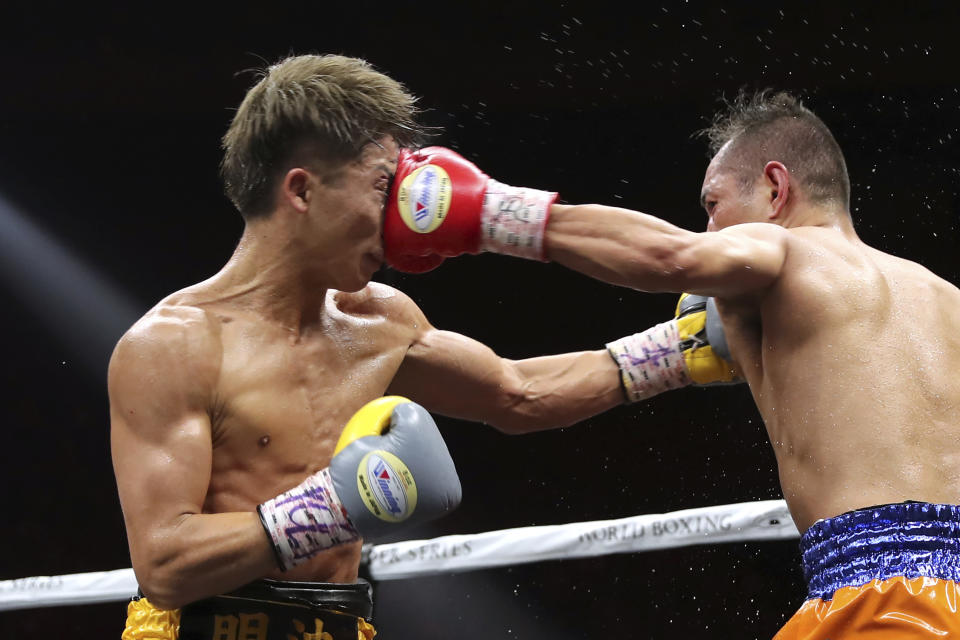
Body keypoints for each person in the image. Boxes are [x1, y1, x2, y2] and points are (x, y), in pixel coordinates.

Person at [109, 54, 736, 640]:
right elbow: (165, 563)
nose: (401, 217)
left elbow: (516, 394)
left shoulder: (377, 322)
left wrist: (678, 352)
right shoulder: (174, 346)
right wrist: (330, 509)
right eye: (385, 187)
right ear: (301, 191)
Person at [383, 91, 960, 638]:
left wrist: (490, 212)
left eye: (713, 206)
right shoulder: (944, 298)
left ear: (776, 188)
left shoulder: (786, 252)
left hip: (888, 596)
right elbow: (527, 394)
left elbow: (669, 256)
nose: (709, 231)